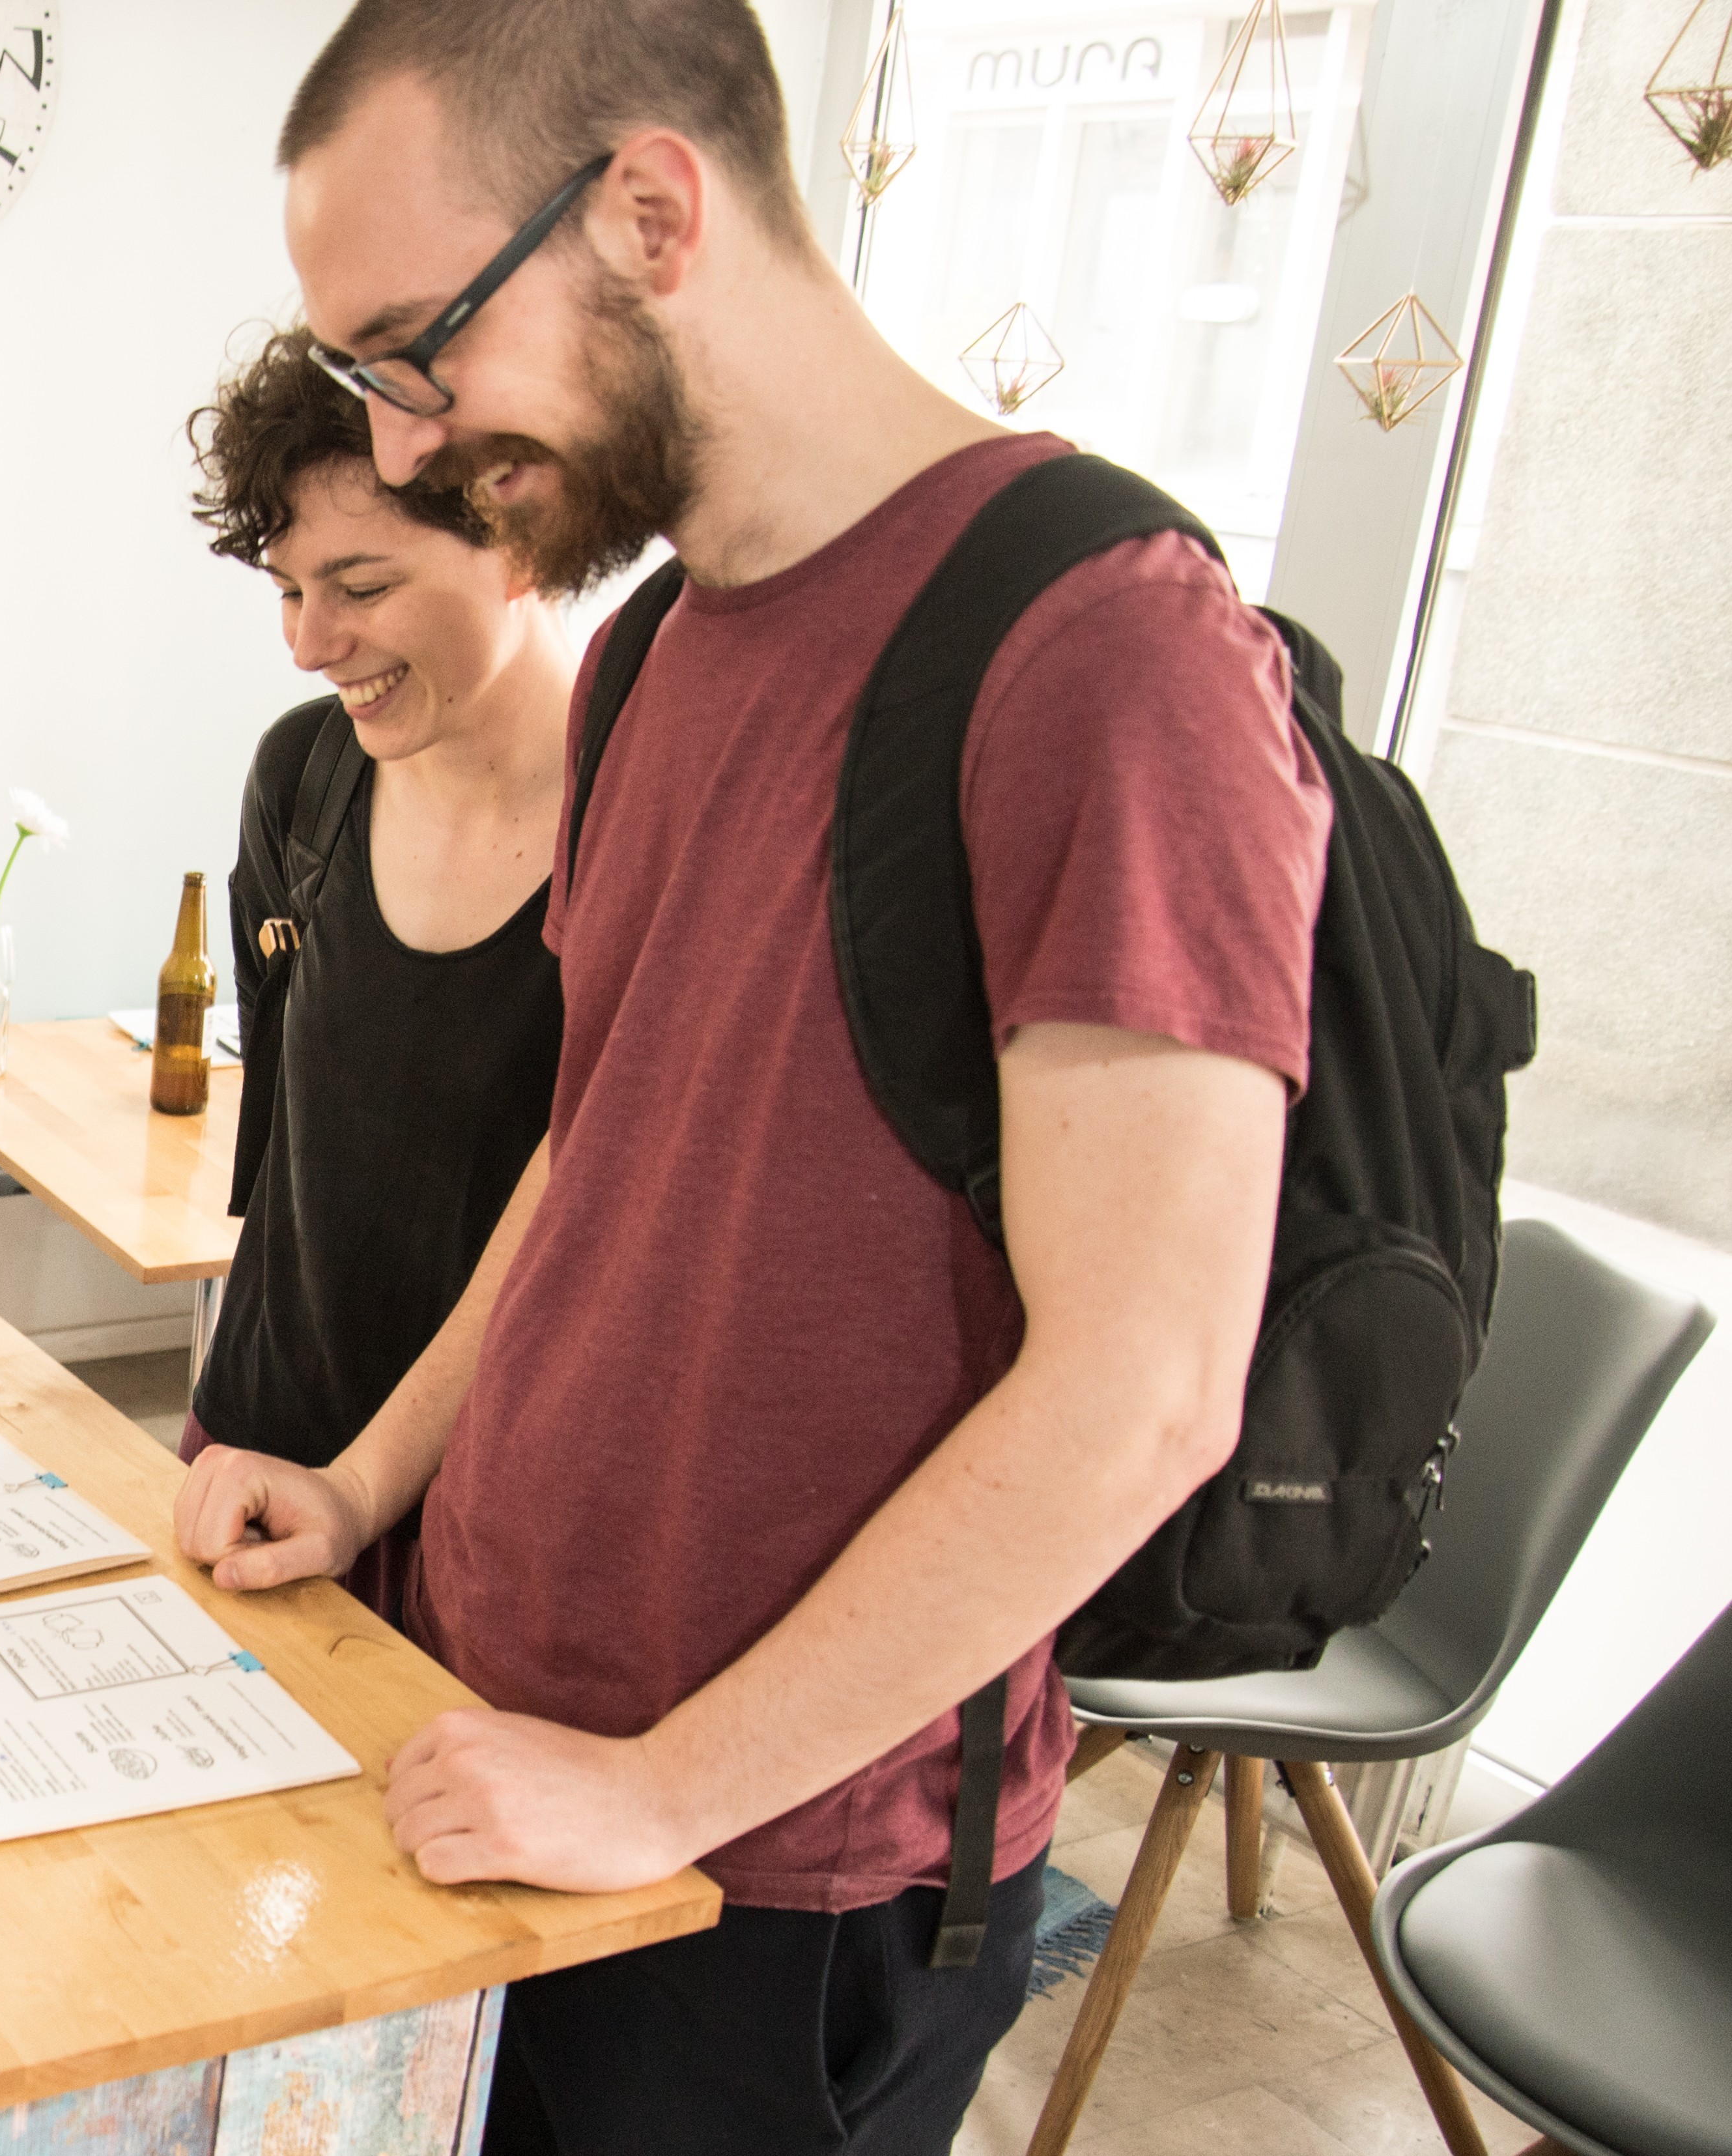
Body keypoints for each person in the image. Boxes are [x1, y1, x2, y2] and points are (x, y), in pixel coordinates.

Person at [170, 3, 1334, 2150]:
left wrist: (660, 1787)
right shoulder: (653, 650)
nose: (404, 448)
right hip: (496, 1737)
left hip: (774, 1859)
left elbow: (1145, 1383)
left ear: (645, 211)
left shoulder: (1103, 644)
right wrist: (366, 1482)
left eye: (417, 351)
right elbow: (589, 1158)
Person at [181, 326, 571, 1633]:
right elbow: (287, 1165)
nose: (310, 641)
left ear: (522, 541)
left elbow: (585, 1211)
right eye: (288, 589)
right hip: (252, 1461)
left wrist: (362, 1483)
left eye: (359, 584)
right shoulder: (302, 778)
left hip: (483, 1527)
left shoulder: (641, 826)